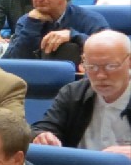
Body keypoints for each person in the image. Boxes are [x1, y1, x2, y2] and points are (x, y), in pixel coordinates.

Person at [31, 30, 130, 158]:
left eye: (111, 66)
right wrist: (42, 136)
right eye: (92, 67)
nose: (101, 75)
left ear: (129, 62)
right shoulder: (73, 93)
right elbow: (43, 128)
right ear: (82, 63)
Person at [4, 0, 108, 62]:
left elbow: (108, 51)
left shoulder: (90, 19)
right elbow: (10, 63)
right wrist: (32, 26)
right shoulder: (26, 22)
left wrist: (74, 36)